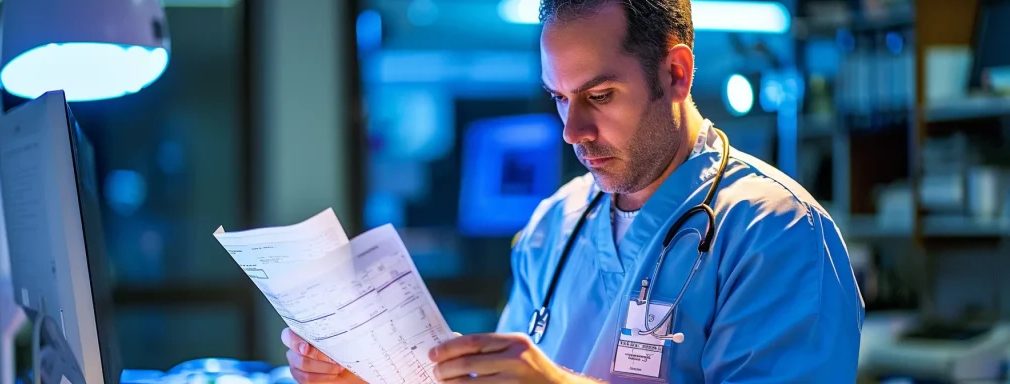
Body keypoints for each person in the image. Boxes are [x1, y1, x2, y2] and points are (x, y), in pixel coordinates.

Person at [281, 0, 865, 382]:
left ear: (676, 74)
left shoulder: (776, 235)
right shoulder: (554, 228)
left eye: (600, 95)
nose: (571, 130)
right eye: (559, 97)